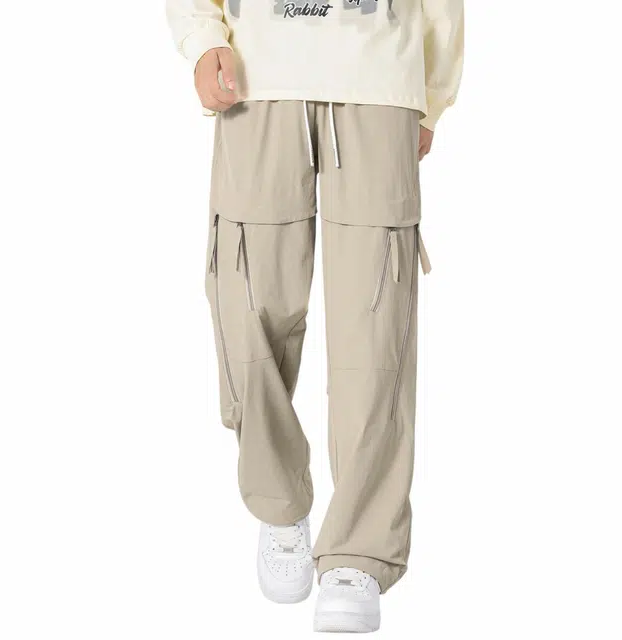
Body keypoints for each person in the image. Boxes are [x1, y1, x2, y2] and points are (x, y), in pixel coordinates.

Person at [166, 0, 463, 633]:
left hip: (379, 73)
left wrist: (431, 94)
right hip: (256, 72)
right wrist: (201, 37)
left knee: (376, 323)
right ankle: (280, 498)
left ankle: (359, 549)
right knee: (246, 301)